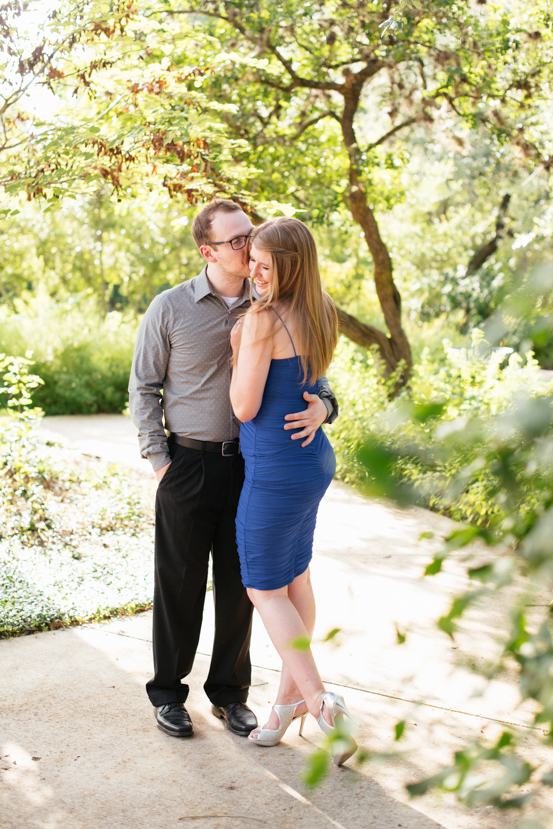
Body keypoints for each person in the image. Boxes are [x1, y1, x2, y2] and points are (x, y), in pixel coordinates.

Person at [129, 199, 339, 739]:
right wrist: (159, 463)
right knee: (178, 582)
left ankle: (229, 694)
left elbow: (313, 374)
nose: (249, 247)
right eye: (236, 241)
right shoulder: (170, 308)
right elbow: (143, 388)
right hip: (188, 462)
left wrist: (326, 406)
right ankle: (169, 695)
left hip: (251, 466)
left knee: (241, 586)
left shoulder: (274, 297)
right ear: (208, 251)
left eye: (250, 235)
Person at [230, 217, 357, 766]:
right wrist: (324, 406)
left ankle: (322, 705)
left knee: (263, 588)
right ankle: (286, 704)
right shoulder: (321, 308)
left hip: (275, 468)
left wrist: (240, 343)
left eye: (264, 265)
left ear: (291, 266)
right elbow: (315, 383)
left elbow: (243, 406)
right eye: (250, 262)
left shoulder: (260, 321)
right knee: (295, 577)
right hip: (311, 463)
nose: (253, 274)